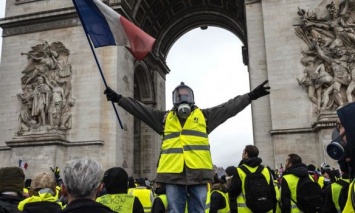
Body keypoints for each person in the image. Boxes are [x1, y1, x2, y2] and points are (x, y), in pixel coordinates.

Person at [104, 80, 270, 213]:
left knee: (197, 210)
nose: (183, 99)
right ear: (174, 100)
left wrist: (251, 96)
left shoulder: (205, 117)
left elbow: (228, 107)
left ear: (192, 98)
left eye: (186, 95)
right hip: (172, 175)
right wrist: (119, 98)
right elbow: (140, 109)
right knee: (175, 210)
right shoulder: (163, 119)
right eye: (179, 96)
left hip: (198, 174)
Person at [228, 145, 276, 213]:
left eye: (243, 152)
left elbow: (233, 193)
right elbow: (272, 192)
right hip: (266, 210)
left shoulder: (239, 170)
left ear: (246, 154)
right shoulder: (265, 170)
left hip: (245, 210)